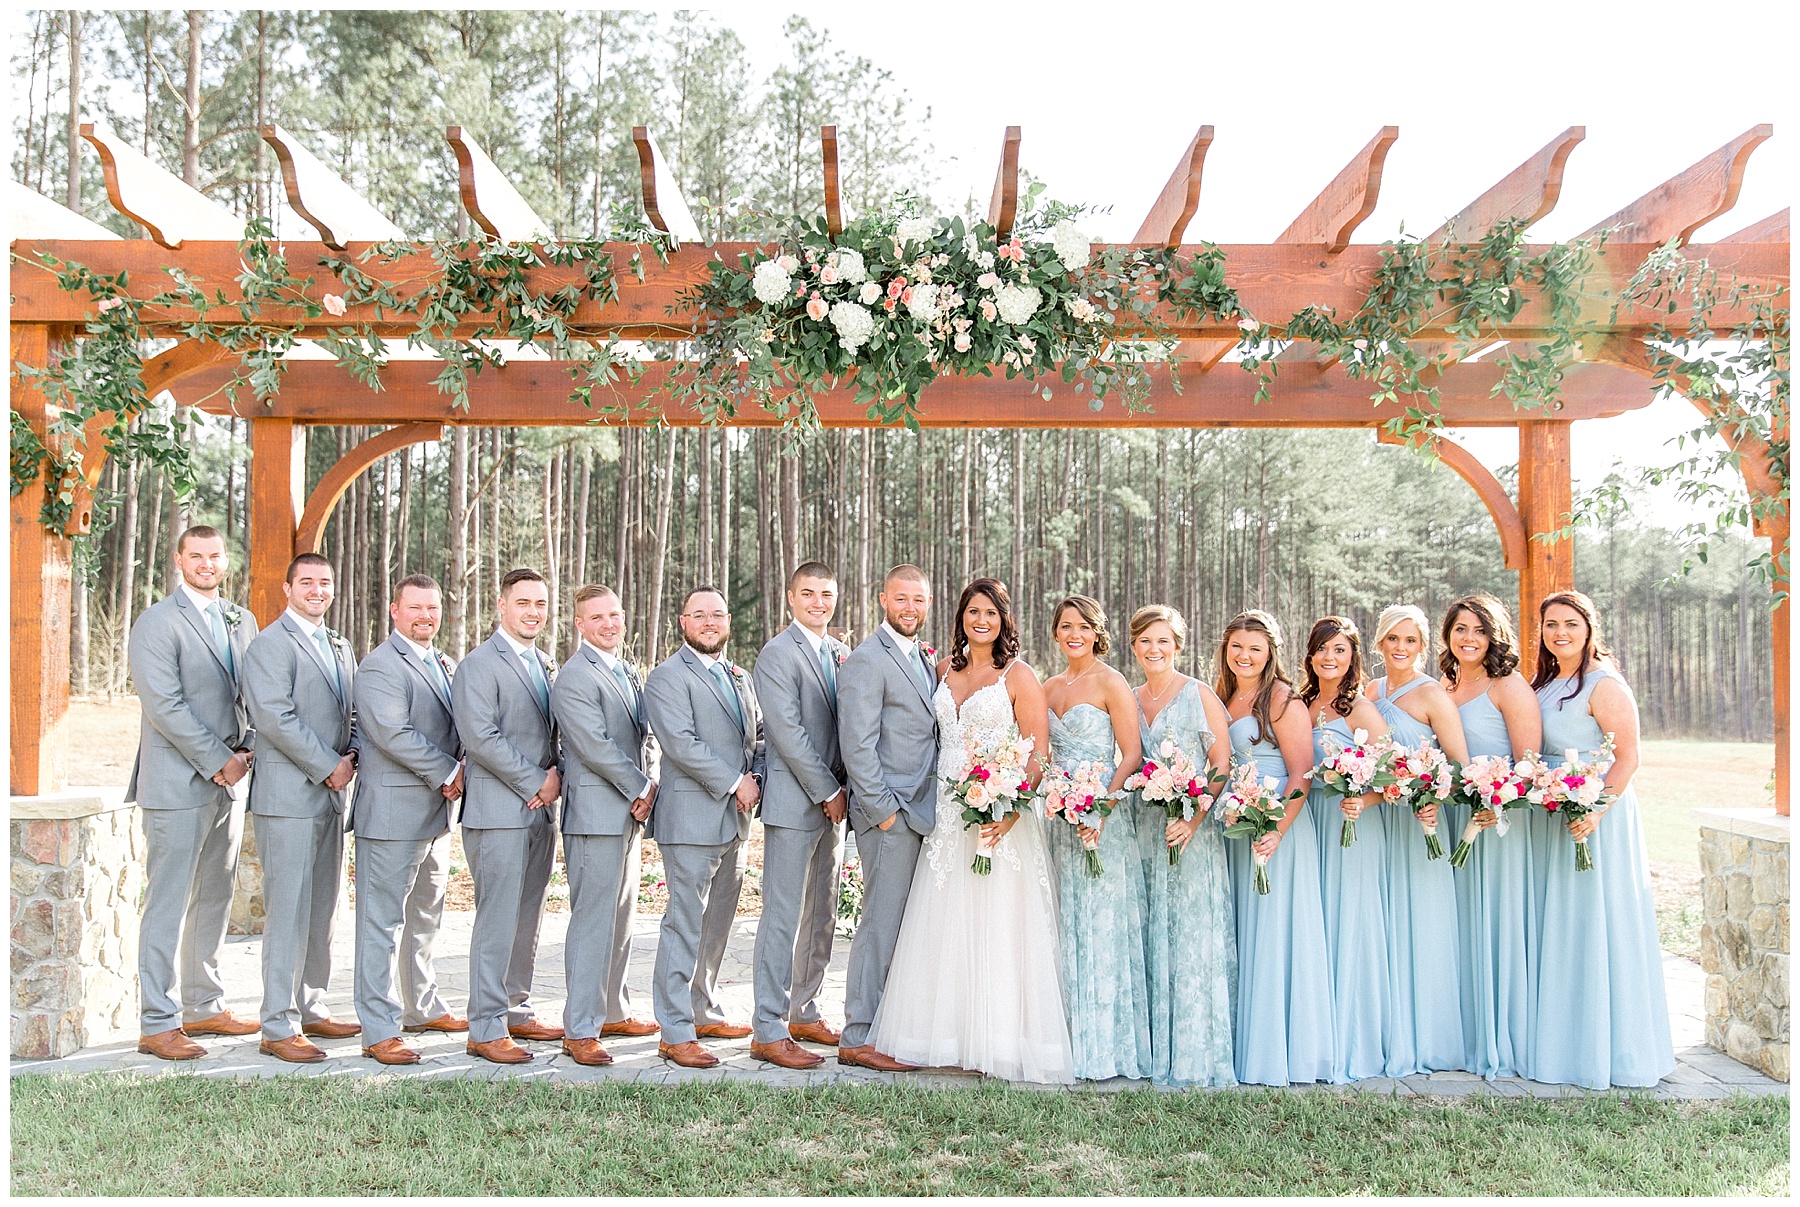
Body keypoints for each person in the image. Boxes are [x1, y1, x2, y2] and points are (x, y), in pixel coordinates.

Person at [869, 578, 1075, 1085]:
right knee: (943, 920)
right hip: (946, 810)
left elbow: (1037, 755)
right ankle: (946, 1037)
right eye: (972, 612)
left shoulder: (1018, 675)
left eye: (991, 613)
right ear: (960, 617)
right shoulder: (943, 669)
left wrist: (1008, 810)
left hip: (999, 815)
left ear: (1005, 620)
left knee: (998, 919)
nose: (981, 621)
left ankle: (999, 1038)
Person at [126, 525, 261, 1060]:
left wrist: (246, 750)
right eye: (196, 555)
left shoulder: (241, 618)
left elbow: (254, 692)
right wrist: (218, 761)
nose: (207, 563)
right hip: (177, 783)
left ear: (225, 561)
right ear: (179, 559)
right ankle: (157, 1021)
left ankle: (203, 1006)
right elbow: (165, 707)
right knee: (168, 901)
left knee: (214, 896)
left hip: (230, 783)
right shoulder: (157, 623)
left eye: (215, 555)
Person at [1530, 590, 1674, 1088]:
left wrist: (1594, 810)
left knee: (1597, 920)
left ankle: (1611, 1047)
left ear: (1590, 627)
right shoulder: (1548, 681)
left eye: (1570, 623)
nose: (1560, 632)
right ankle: (1564, 1039)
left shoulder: (1604, 683)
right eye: (1551, 624)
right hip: (1553, 811)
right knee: (1564, 922)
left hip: (1597, 815)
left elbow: (1628, 756)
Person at [242, 553, 361, 1061]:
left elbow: (351, 709)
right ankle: (277, 1024)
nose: (317, 590)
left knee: (322, 907)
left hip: (331, 796)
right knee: (288, 909)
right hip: (289, 796)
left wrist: (352, 753)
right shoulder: (270, 645)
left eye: (325, 583)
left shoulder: (339, 645)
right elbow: (274, 717)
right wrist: (327, 764)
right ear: (287, 587)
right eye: (307, 582)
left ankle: (310, 1005)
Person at [640, 585, 763, 1069]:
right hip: (691, 819)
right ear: (682, 620)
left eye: (717, 615)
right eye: (699, 615)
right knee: (684, 923)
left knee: (717, 924)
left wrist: (756, 777)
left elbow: (758, 734)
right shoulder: (668, 677)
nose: (709, 622)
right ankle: (674, 1029)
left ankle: (702, 1007)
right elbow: (682, 744)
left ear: (728, 621)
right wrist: (736, 781)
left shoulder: (740, 676)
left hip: (735, 820)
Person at [348, 573, 468, 1065]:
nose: (425, 616)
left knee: (424, 918)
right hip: (394, 814)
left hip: (436, 815)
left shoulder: (443, 662)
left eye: (433, 608)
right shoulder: (380, 666)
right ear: (394, 611)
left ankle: (420, 1006)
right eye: (415, 608)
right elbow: (392, 733)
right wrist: (449, 771)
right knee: (382, 923)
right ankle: (378, 1027)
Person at [451, 568, 564, 1063]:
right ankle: (485, 1025)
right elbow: (480, 738)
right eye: (523, 603)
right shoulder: (479, 665)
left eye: (540, 603)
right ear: (501, 605)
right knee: (496, 917)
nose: (533, 612)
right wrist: (535, 780)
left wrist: (554, 777)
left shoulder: (544, 663)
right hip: (498, 811)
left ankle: (514, 1006)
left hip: (541, 814)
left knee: (527, 915)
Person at [1217, 609, 1333, 1086]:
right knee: (1243, 932)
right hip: (1234, 826)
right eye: (1237, 647)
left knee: (1275, 931)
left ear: (1271, 654)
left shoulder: (1283, 699)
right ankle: (1240, 1044)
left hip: (1275, 828)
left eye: (1255, 648)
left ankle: (1280, 1051)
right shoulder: (1222, 695)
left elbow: (1301, 770)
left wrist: (1276, 830)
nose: (1245, 656)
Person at [836, 565, 941, 1073]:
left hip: (926, 811)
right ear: (883, 600)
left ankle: (892, 1028)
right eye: (901, 599)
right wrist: (883, 815)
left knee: (906, 925)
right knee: (879, 923)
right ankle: (858, 1034)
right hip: (891, 816)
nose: (910, 609)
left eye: (918, 601)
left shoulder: (923, 658)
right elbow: (857, 745)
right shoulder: (865, 660)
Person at [550, 584, 661, 1066]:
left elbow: (647, 736)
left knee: (622, 918)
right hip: (596, 814)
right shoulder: (574, 676)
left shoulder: (628, 671)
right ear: (579, 624)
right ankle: (579, 1027)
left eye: (614, 614)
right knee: (593, 920)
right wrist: (641, 787)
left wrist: (651, 782)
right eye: (596, 617)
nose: (609, 624)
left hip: (630, 812)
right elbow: (593, 745)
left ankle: (612, 1008)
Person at [749, 562, 853, 1070]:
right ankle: (768, 1028)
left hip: (833, 804)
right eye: (808, 594)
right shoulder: (777, 654)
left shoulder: (835, 653)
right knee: (783, 915)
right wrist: (828, 789)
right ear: (790, 597)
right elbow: (787, 735)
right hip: (796, 803)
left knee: (821, 913)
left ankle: (803, 1009)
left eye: (826, 594)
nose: (818, 602)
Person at [1044, 595, 1150, 1081]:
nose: (1073, 634)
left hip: (1102, 816)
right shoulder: (1046, 688)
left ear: (1097, 633)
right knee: (1062, 921)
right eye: (1066, 626)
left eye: (1083, 626)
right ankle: (1060, 1041)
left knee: (1101, 922)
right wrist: (1057, 797)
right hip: (1059, 819)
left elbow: (1130, 754)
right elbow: (1040, 758)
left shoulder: (1112, 682)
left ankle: (1105, 1047)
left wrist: (1101, 807)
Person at [1130, 604, 1236, 1088]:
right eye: (1145, 641)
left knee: (1191, 939)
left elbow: (1221, 764)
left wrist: (1194, 819)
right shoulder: (1128, 699)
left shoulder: (1199, 694)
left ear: (1178, 646)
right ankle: (1154, 1047)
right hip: (1145, 834)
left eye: (1163, 641)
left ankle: (1195, 1053)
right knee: (1153, 932)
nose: (1154, 649)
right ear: (1133, 646)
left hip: (1192, 833)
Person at [1440, 595, 1542, 1080]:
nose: (1468, 639)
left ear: (1493, 636)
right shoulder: (1444, 685)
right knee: (1457, 926)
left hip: (1498, 824)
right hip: (1450, 819)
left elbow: (1529, 762)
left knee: (1496, 922)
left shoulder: (1508, 685)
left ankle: (1503, 1037)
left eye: (1478, 630)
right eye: (1460, 629)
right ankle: (1460, 1035)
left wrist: (1494, 800)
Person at [1368, 604, 1468, 1075]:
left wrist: (1433, 793)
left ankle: (1428, 1037)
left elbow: (1458, 762)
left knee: (1422, 922)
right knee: (1386, 922)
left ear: (1424, 647)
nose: (1401, 648)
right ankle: (1387, 1029)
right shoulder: (1369, 692)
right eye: (1393, 639)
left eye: (1410, 640)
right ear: (1380, 643)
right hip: (1379, 822)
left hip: (1422, 822)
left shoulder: (1433, 695)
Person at [1299, 616, 1390, 1082]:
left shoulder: (1358, 708)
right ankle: (1316, 1031)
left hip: (1349, 826)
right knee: (1315, 922)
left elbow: (1396, 771)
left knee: (1348, 920)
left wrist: (1365, 797)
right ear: (1310, 655)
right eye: (1321, 649)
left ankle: (1352, 1040)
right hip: (1308, 821)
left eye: (1340, 650)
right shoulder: (1300, 702)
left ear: (1353, 656)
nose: (1329, 658)